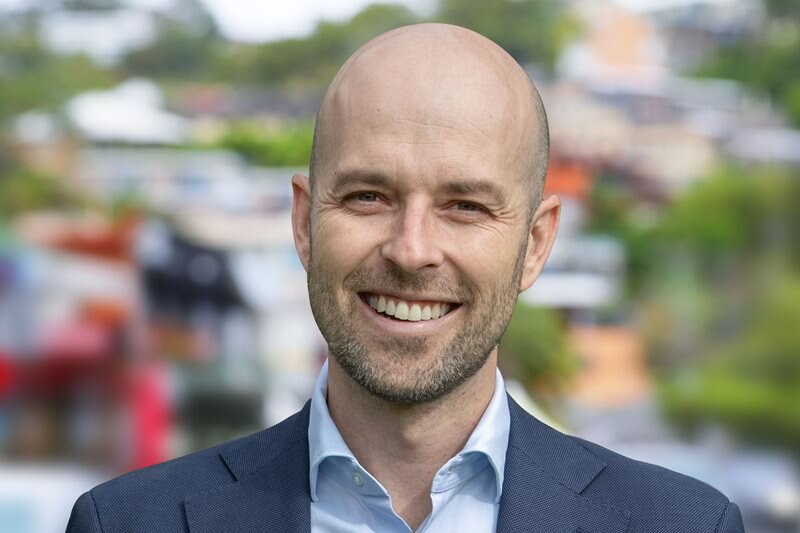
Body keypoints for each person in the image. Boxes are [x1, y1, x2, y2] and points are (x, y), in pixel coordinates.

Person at [66, 23, 745, 533]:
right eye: (368, 195)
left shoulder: (685, 524)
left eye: (465, 205)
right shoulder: (127, 522)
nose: (411, 249)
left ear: (536, 245)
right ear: (303, 221)